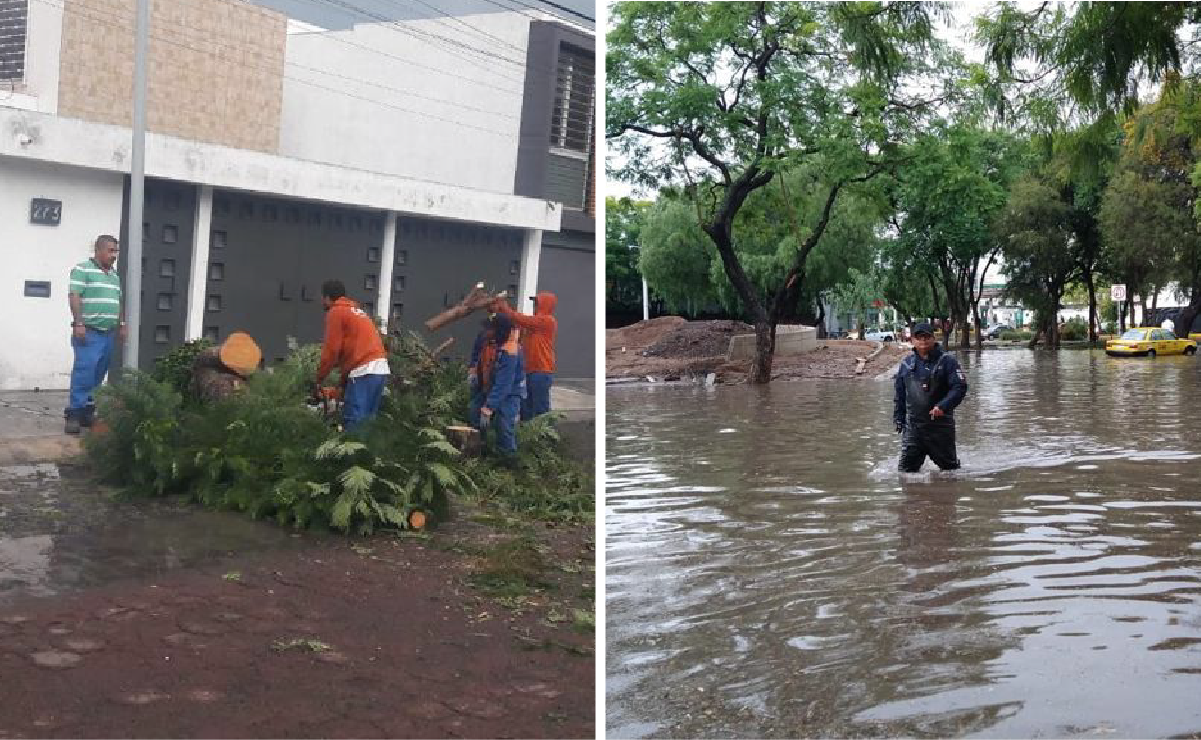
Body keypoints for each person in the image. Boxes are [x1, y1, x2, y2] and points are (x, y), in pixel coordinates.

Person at [65, 235, 126, 435]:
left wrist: (122, 323)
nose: (114, 255)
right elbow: (74, 296)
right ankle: (74, 413)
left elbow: (118, 301)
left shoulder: (114, 276)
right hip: (89, 332)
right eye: (110, 250)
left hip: (108, 334)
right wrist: (79, 323)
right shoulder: (82, 270)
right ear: (98, 250)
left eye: (115, 251)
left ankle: (87, 412)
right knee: (84, 372)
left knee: (99, 374)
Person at [315, 280, 390, 432]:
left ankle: (352, 456)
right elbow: (351, 352)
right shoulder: (355, 311)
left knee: (354, 424)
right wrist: (340, 386)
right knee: (368, 423)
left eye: (322, 298)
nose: (321, 301)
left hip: (363, 370)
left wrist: (318, 379)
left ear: (328, 298)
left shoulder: (336, 312)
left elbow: (331, 351)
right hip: (379, 369)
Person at [893, 322, 968, 472]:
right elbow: (900, 394)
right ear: (913, 340)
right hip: (913, 429)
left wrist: (943, 406)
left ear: (933, 338)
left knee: (951, 472)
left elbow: (959, 387)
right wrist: (898, 418)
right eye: (919, 337)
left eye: (927, 337)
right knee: (905, 473)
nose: (923, 341)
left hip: (940, 428)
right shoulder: (906, 365)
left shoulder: (948, 362)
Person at [492, 291, 557, 420]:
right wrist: (499, 310)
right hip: (529, 371)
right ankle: (527, 436)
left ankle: (545, 437)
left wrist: (504, 306)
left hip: (541, 371)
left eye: (537, 303)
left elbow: (520, 319)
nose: (535, 306)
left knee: (540, 409)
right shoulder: (533, 324)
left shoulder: (547, 321)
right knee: (526, 408)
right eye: (534, 303)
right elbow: (516, 321)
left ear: (545, 305)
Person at [479, 313, 526, 464]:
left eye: (490, 329)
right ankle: (492, 455)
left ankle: (510, 462)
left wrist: (489, 407)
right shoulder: (502, 346)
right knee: (497, 425)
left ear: (498, 330)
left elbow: (504, 384)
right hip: (501, 393)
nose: (487, 333)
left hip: (510, 395)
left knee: (504, 427)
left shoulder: (510, 351)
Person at [468, 316, 498, 428]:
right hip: (483, 385)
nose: (485, 330)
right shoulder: (484, 340)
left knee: (496, 419)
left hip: (494, 388)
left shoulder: (503, 348)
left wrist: (490, 404)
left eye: (487, 328)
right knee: (474, 409)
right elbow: (477, 357)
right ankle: (476, 436)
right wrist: (473, 371)